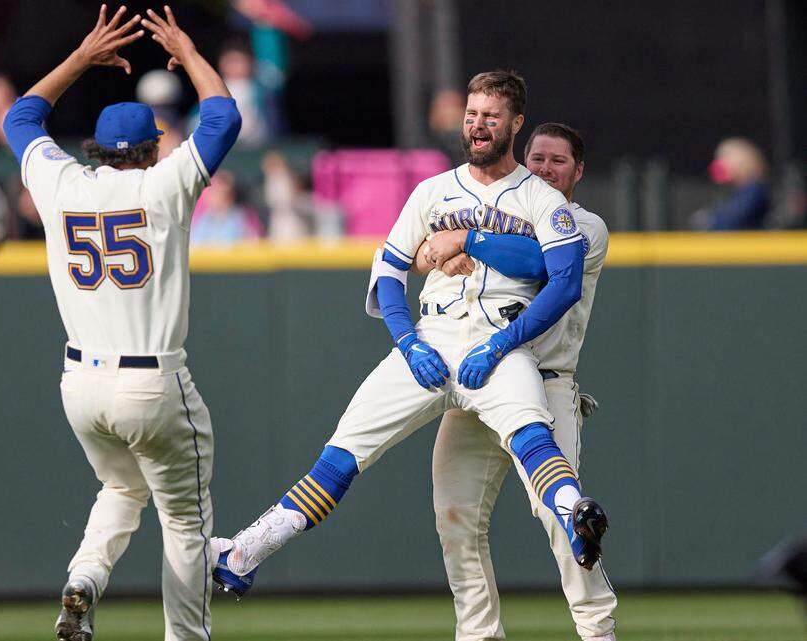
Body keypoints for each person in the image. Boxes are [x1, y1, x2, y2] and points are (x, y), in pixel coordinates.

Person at [211, 70, 609, 598]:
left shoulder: (543, 199)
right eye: (471, 116)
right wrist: (407, 341)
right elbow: (389, 273)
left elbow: (559, 278)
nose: (479, 126)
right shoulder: (434, 190)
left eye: (491, 117)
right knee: (344, 451)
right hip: (434, 335)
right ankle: (244, 551)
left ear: (515, 123)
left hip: (504, 339)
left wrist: (492, 320)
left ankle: (576, 514)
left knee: (533, 437)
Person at [0, 5, 240, 640]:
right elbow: (223, 115)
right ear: (154, 148)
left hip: (81, 386)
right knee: (186, 523)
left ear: (99, 150)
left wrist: (81, 57)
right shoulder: (164, 188)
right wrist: (186, 51)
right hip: (153, 382)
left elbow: (19, 117)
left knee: (124, 487)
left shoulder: (61, 185)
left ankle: (83, 580)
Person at [416, 123, 618, 641]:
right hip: (477, 385)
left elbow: (545, 271)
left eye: (558, 161)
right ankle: (479, 635)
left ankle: (598, 632)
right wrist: (449, 247)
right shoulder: (500, 214)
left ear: (578, 171)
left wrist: (469, 242)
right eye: (537, 158)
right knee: (454, 519)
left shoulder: (585, 226)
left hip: (546, 384)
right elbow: (422, 254)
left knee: (565, 520)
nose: (546, 168)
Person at [691, 137, 771, 230]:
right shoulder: (739, 190)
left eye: (725, 158)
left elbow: (735, 220)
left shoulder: (754, 190)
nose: (721, 164)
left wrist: (711, 219)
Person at [190, 169, 261, 246]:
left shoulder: (243, 218)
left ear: (231, 195)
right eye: (212, 193)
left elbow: (253, 243)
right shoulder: (202, 220)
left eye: (218, 193)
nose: (213, 197)